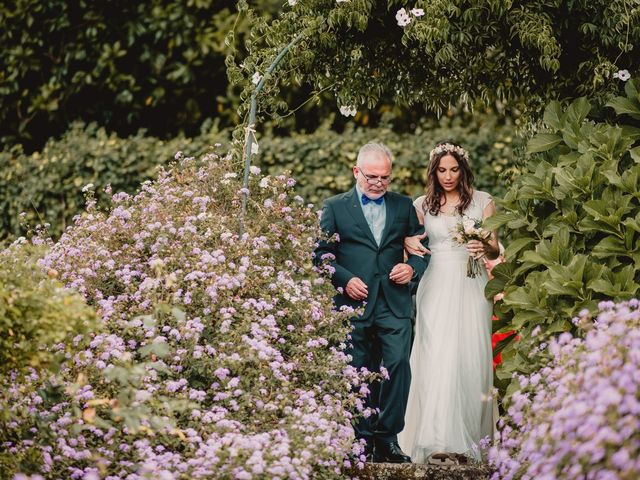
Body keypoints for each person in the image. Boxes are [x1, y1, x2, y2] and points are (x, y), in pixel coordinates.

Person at [314, 142, 430, 463]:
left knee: (398, 366)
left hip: (394, 304)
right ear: (356, 172)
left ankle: (387, 438)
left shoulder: (404, 206)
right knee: (357, 371)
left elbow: (423, 250)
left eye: (385, 177)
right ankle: (360, 439)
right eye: (372, 176)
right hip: (354, 306)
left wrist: (411, 268)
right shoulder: (335, 207)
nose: (379, 183)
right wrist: (345, 279)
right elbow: (319, 255)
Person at [398, 141, 500, 464]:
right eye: (442, 170)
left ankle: (468, 440)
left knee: (469, 355)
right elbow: (409, 242)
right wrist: (406, 240)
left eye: (454, 169)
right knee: (436, 355)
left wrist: (482, 245)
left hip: (472, 284)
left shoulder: (483, 202)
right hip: (436, 284)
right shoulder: (420, 205)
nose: (448, 175)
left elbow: (496, 249)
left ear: (463, 169)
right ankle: (436, 439)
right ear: (433, 171)